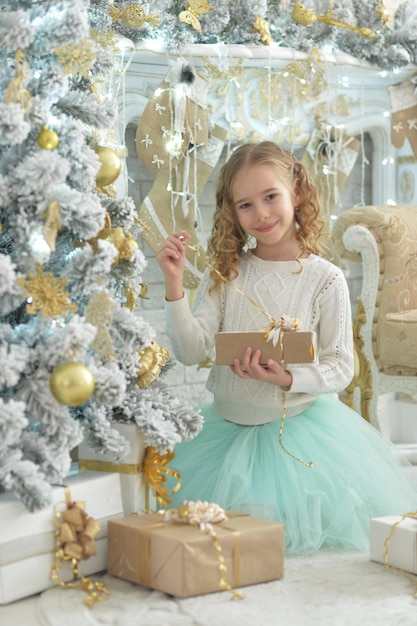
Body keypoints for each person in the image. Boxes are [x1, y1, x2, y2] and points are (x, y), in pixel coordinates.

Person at [156, 140, 417, 554]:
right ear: (231, 211)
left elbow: (340, 366)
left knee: (274, 541)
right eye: (245, 205)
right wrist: (174, 287)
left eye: (270, 197)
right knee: (213, 539)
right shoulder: (226, 273)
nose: (260, 214)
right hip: (226, 431)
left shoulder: (325, 279)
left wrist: (289, 377)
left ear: (296, 190)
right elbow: (191, 351)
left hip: (294, 434)